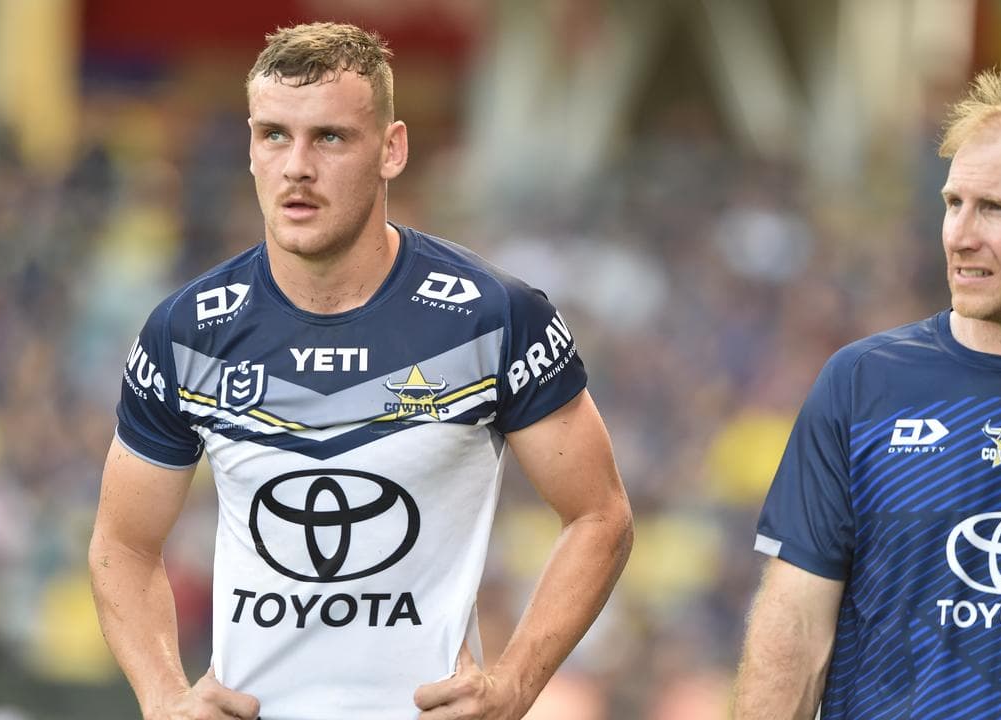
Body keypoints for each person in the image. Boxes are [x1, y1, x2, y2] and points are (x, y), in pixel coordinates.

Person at [88, 21, 633, 720]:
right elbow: (123, 545)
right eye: (273, 135)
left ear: (392, 149)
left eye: (331, 138)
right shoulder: (186, 331)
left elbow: (600, 515)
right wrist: (163, 697)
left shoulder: (493, 316)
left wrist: (517, 684)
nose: (296, 167)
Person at [733, 65, 1001, 718]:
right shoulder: (862, 386)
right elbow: (793, 635)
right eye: (953, 202)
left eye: (995, 208)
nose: (960, 235)